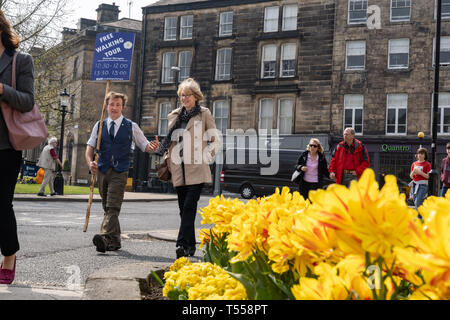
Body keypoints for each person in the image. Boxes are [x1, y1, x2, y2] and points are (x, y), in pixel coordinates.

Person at [156, 78, 221, 258]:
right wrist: (167, 157)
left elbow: (216, 140)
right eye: (182, 95)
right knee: (183, 208)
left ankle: (181, 244)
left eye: (188, 95)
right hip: (178, 167)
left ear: (196, 96)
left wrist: (206, 156)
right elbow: (170, 142)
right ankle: (190, 245)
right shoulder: (174, 115)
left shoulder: (204, 114)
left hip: (197, 168)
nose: (184, 98)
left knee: (189, 206)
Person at [86, 91, 159, 253]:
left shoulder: (131, 126)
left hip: (120, 171)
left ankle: (104, 236)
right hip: (102, 171)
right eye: (111, 104)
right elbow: (89, 148)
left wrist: (152, 147)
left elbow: (144, 145)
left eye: (118, 105)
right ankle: (115, 241)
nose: (114, 107)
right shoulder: (99, 126)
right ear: (106, 106)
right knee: (107, 206)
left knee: (113, 207)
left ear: (123, 107)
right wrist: (90, 162)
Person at [0, 10, 35, 284]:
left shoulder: (20, 61)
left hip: (6, 146)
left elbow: (27, 101)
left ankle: (9, 254)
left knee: (1, 204)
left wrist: (2, 90)